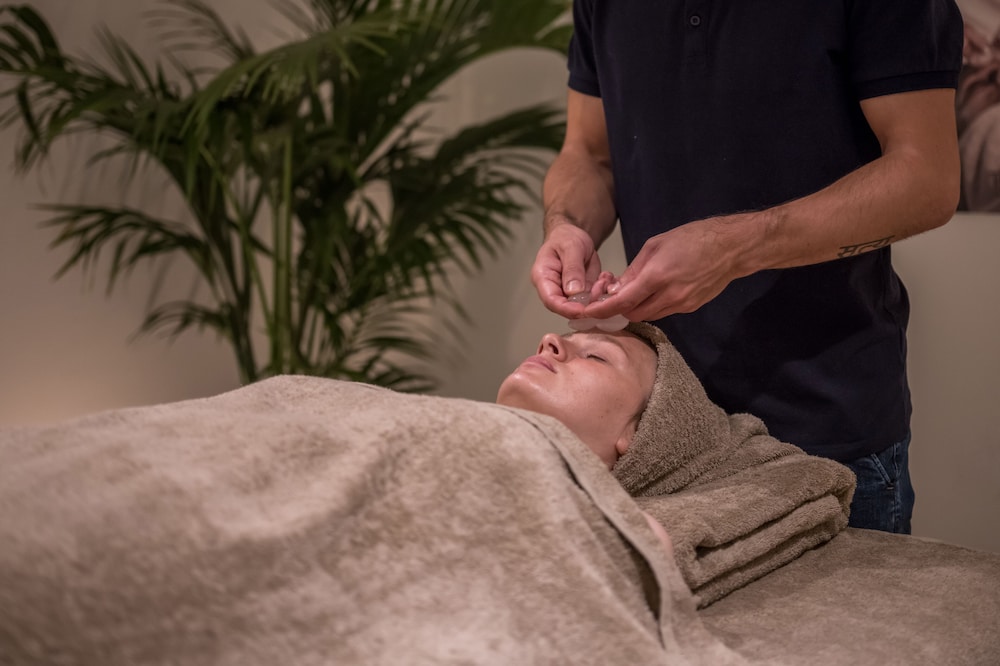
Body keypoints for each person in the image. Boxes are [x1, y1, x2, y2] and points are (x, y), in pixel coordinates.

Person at [530, 2, 966, 534]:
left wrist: (735, 248)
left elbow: (927, 179)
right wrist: (568, 225)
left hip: (825, 428)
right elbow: (589, 154)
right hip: (664, 436)